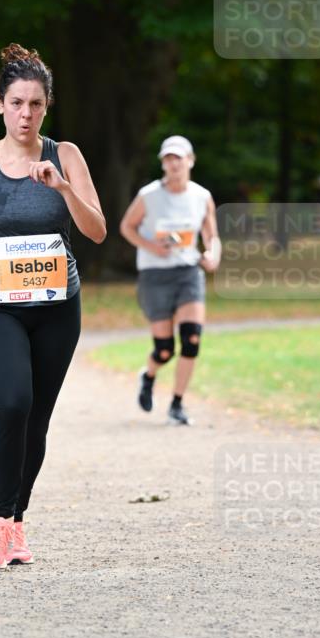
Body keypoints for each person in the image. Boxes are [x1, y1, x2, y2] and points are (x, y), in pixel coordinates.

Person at [0, 43, 106, 570]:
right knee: (13, 400)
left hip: (58, 305)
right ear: (0, 104)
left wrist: (61, 187)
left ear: (46, 107)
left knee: (37, 418)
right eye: (16, 103)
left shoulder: (67, 156)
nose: (26, 114)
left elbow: (97, 231)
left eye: (36, 104)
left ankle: (16, 525)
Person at [119, 135, 221, 425]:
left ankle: (177, 404)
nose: (173, 163)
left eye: (179, 157)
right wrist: (151, 246)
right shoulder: (149, 195)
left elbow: (211, 236)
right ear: (163, 163)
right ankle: (148, 375)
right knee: (165, 350)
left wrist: (213, 255)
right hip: (155, 274)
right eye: (168, 158)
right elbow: (126, 226)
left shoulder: (202, 196)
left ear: (190, 160)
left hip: (188, 272)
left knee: (191, 339)